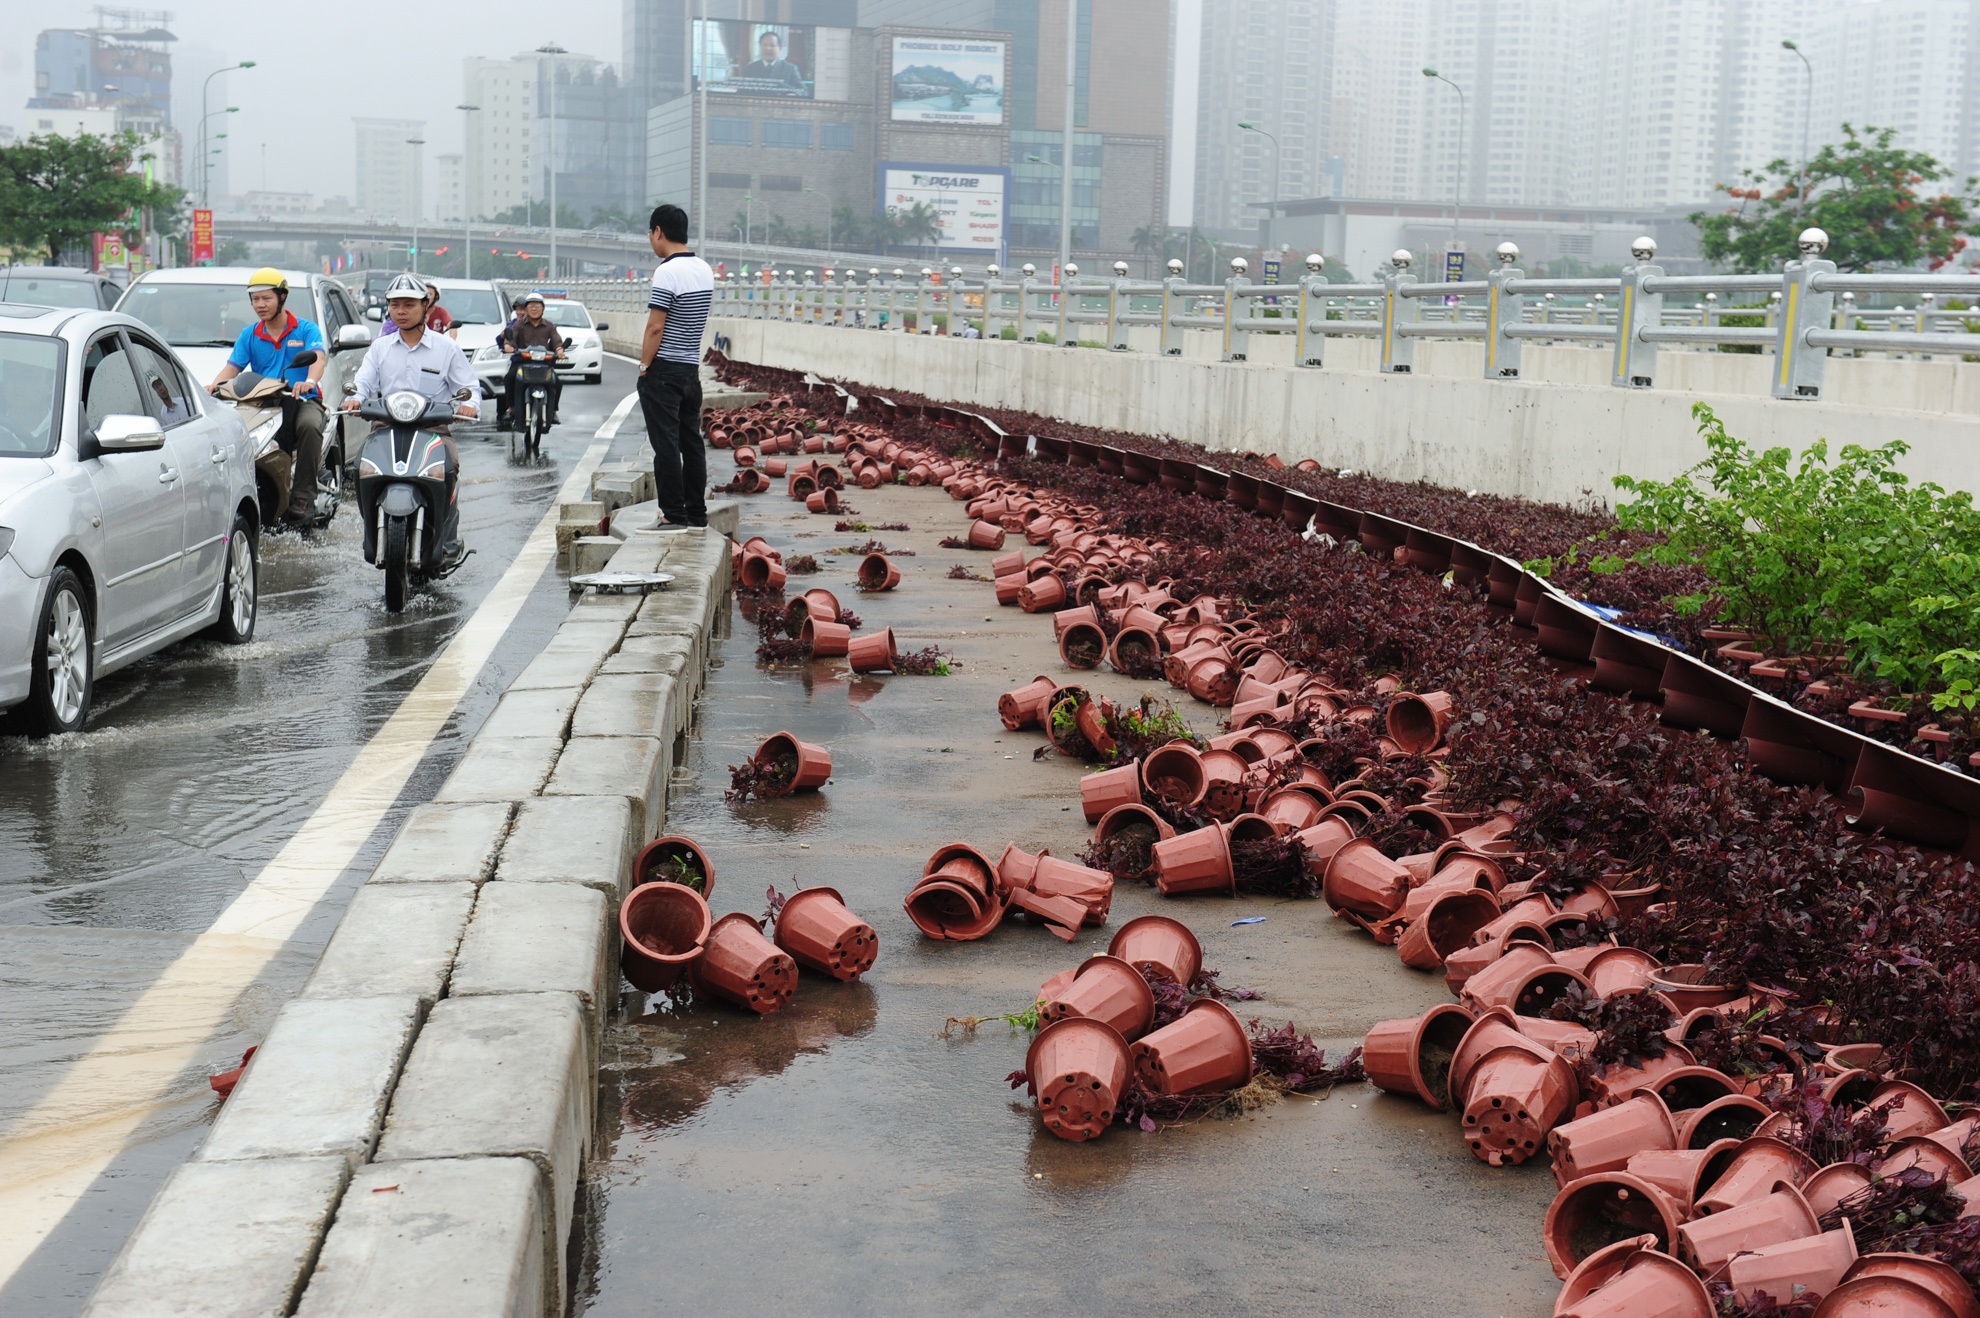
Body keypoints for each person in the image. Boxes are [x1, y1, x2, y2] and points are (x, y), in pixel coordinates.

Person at [344, 273, 479, 562]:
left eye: (408, 304)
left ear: (425, 307)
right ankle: (371, 531)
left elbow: (468, 387)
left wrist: (471, 405)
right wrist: (355, 397)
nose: (401, 311)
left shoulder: (446, 348)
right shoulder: (380, 347)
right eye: (395, 305)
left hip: (433, 429)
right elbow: (363, 382)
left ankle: (447, 536)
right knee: (361, 467)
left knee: (449, 465)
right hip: (385, 425)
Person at [208, 268, 327, 526]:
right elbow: (233, 368)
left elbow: (318, 358)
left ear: (282, 297)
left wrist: (309, 382)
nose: (260, 305)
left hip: (302, 400)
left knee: (309, 426)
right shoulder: (249, 334)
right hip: (260, 403)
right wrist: (211, 387)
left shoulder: (306, 329)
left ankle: (303, 496)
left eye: (266, 298)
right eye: (255, 299)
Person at [636, 203, 714, 531]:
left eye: (650, 235)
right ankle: (696, 512)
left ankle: (672, 513)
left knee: (665, 444)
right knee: (691, 442)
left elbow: (656, 326)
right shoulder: (704, 268)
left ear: (658, 232)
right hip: (689, 369)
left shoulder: (667, 272)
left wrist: (644, 366)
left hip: (664, 370)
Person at [495, 293, 565, 430]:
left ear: (543, 309)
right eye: (531, 306)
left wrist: (560, 350)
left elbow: (557, 341)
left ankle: (553, 412)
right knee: (509, 378)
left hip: (545, 364)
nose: (534, 309)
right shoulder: (518, 325)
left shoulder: (550, 326)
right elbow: (510, 339)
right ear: (526, 309)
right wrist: (508, 346)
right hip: (522, 363)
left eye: (537, 306)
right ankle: (512, 409)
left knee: (557, 382)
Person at [739, 29, 804, 95]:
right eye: (764, 45)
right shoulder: (750, 69)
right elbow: (741, 93)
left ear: (780, 48)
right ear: (760, 47)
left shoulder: (790, 68)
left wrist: (786, 90)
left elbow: (803, 91)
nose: (768, 48)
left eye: (772, 45)